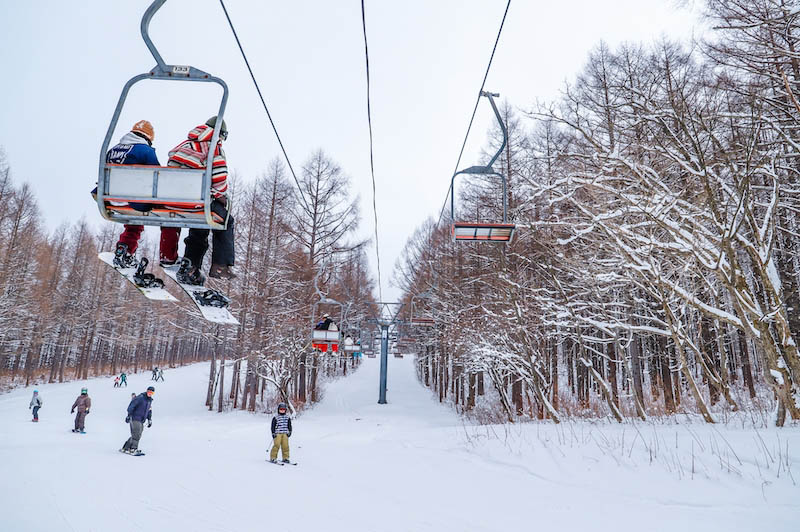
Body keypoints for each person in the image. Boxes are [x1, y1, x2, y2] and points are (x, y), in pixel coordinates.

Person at [168, 116, 236, 285]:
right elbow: (219, 179)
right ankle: (221, 266)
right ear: (220, 133)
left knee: (201, 223)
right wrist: (221, 197)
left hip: (173, 199)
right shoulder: (214, 147)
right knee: (225, 219)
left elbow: (170, 163)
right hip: (196, 201)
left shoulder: (185, 144)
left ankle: (190, 265)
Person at [104, 120, 181, 268]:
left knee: (134, 221)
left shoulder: (112, 151)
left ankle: (124, 249)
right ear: (148, 138)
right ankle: (168, 256)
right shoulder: (145, 151)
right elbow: (158, 175)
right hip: (136, 200)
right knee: (170, 213)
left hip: (111, 199)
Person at [121, 386, 154, 455]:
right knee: (136, 434)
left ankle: (126, 448)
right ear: (147, 391)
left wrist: (149, 419)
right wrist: (129, 415)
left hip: (141, 420)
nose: (150, 393)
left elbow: (149, 411)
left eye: (152, 392)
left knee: (137, 434)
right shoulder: (140, 398)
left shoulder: (149, 401)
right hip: (135, 418)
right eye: (149, 392)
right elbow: (131, 406)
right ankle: (133, 449)